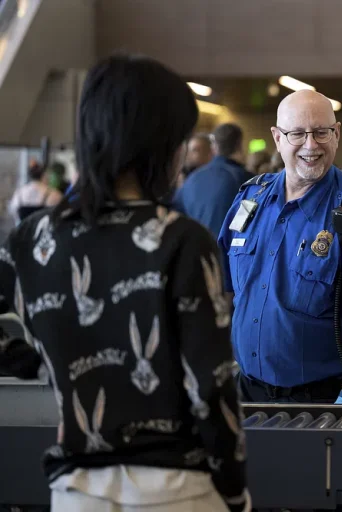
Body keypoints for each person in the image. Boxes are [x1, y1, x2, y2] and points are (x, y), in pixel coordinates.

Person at [0, 55, 249, 511]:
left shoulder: (30, 239)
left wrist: (31, 362)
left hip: (76, 491)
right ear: (160, 142)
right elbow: (211, 388)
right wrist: (234, 492)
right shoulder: (182, 241)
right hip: (177, 490)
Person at [218, 90, 342, 405]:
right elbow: (221, 288)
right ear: (277, 138)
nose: (311, 145)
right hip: (246, 393)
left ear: (337, 134)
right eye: (297, 134)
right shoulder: (250, 200)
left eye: (321, 132)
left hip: (319, 400)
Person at [174, 124, 251, 238]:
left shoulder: (190, 180)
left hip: (198, 251)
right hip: (232, 252)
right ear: (240, 145)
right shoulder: (249, 181)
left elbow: (175, 217)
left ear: (214, 147)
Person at [8, 160, 63, 224]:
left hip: (23, 232)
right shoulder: (54, 194)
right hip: (43, 232)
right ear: (44, 175)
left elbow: (14, 212)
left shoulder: (19, 193)